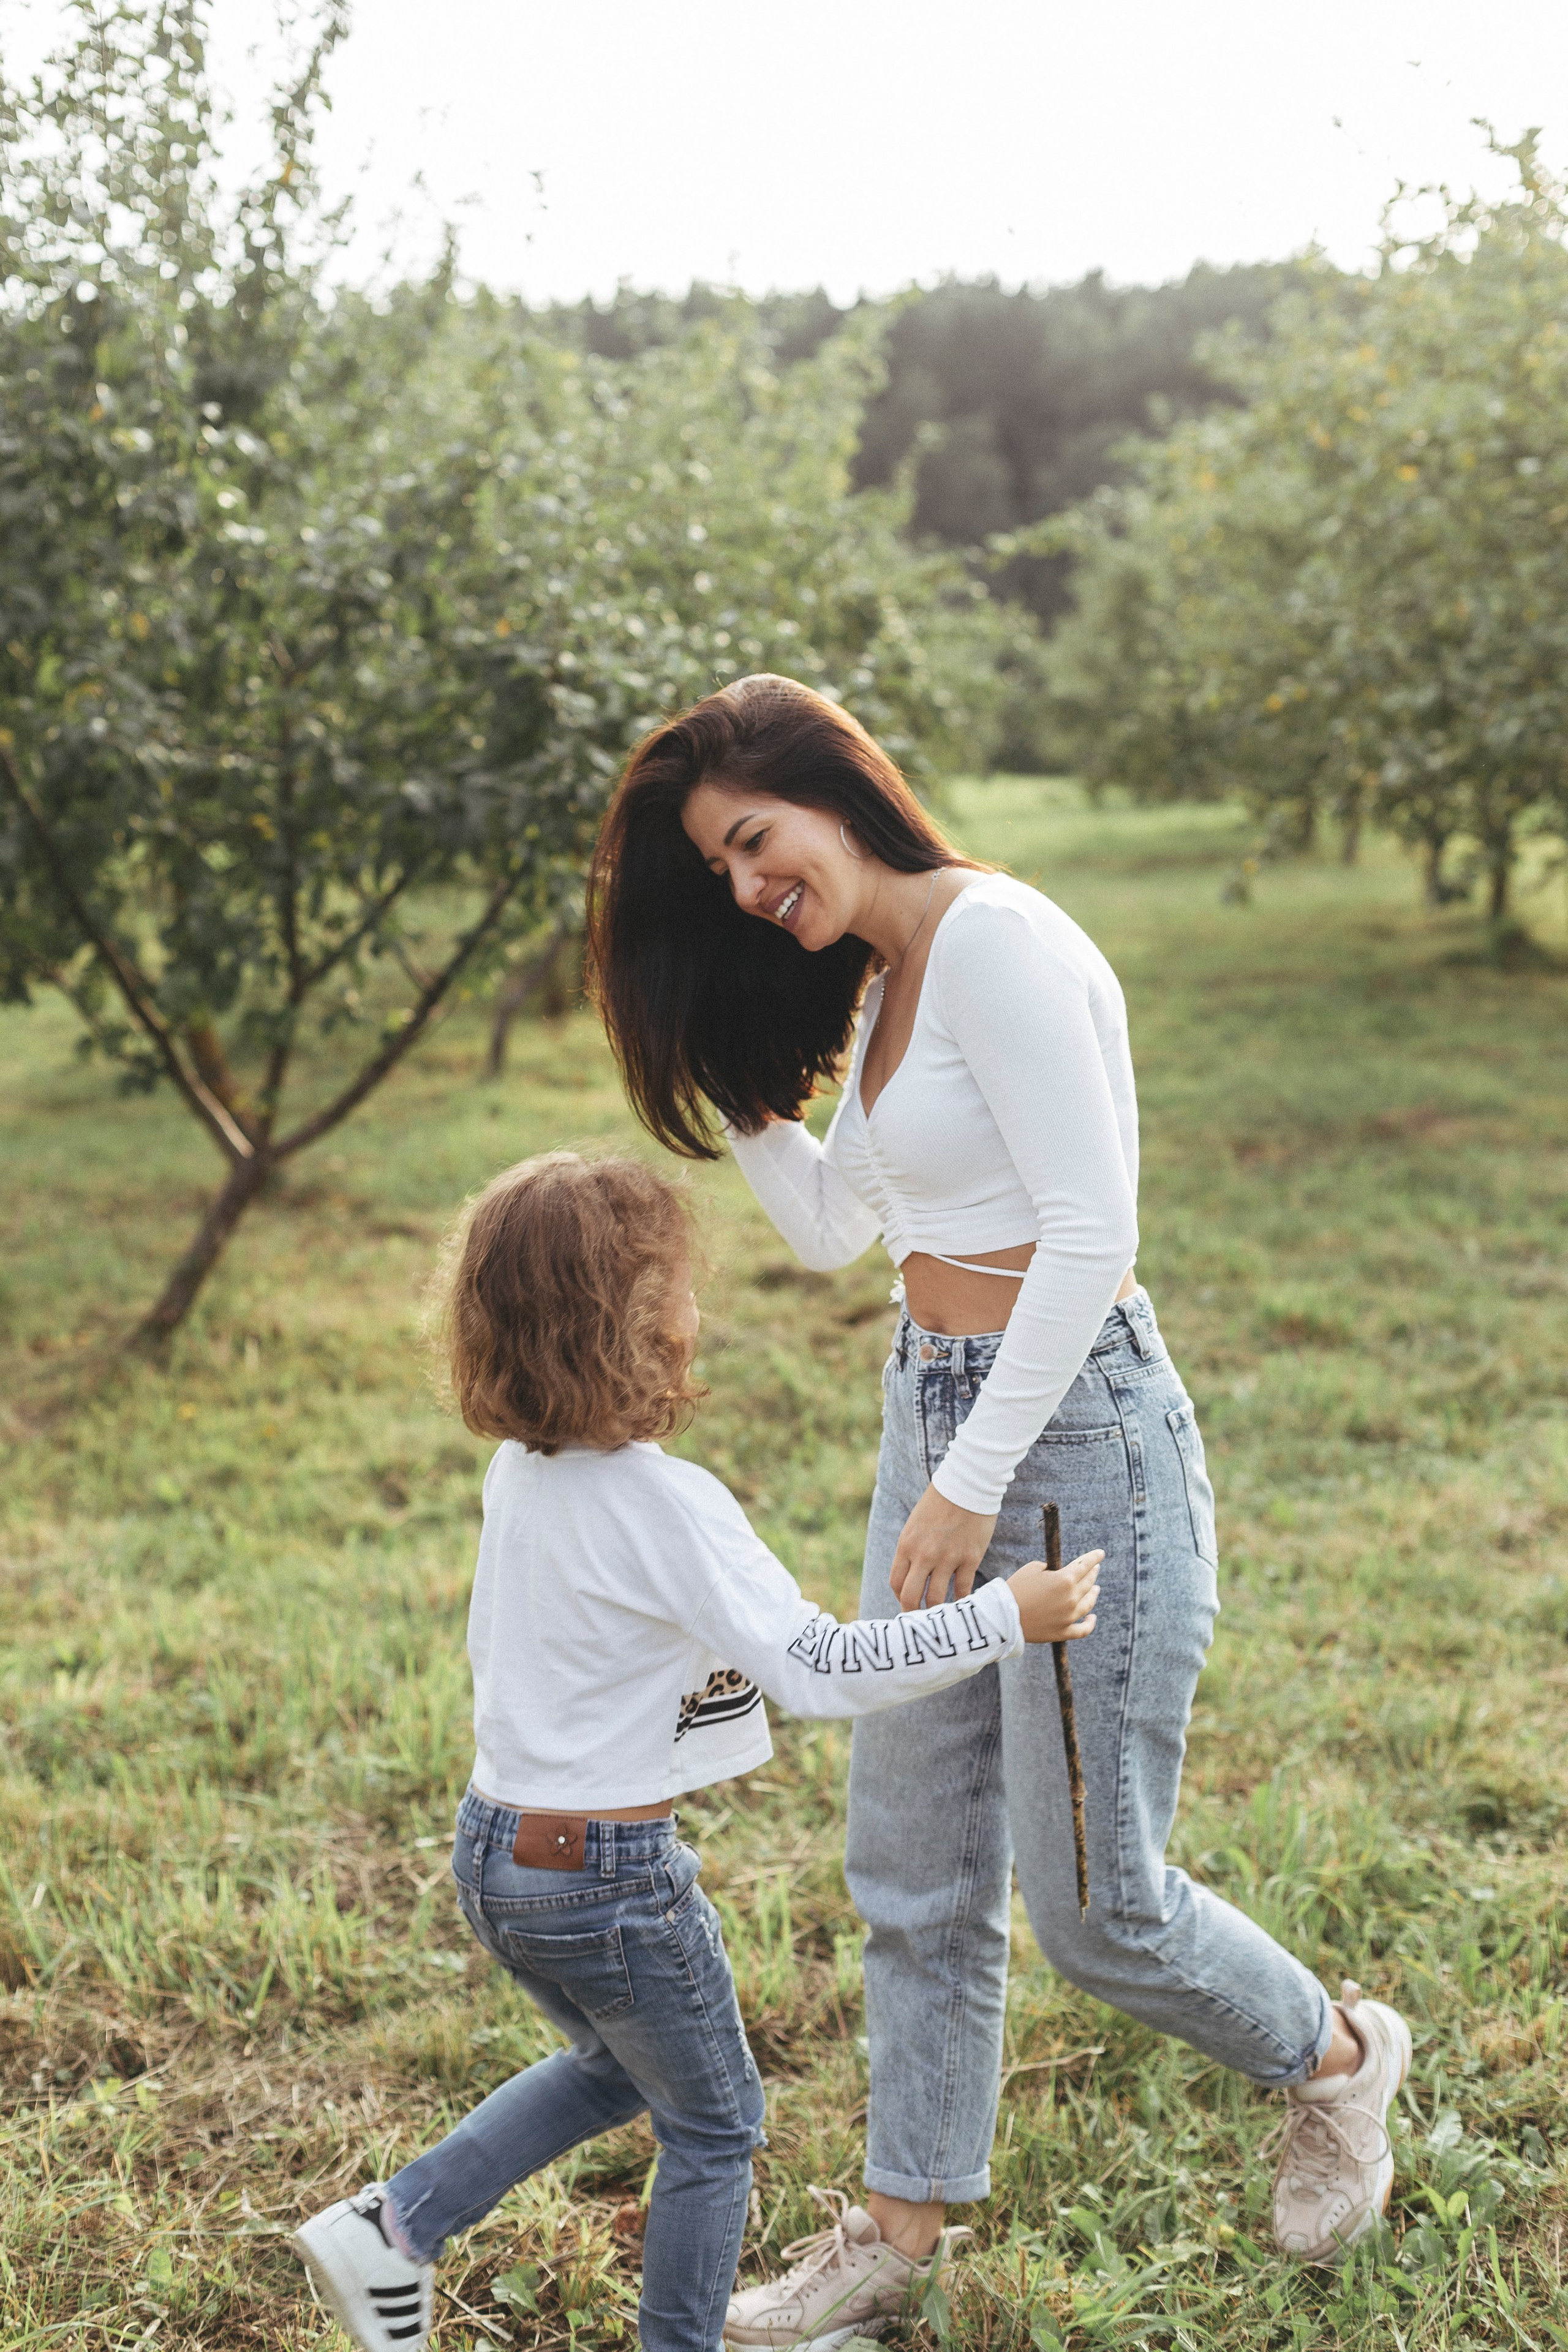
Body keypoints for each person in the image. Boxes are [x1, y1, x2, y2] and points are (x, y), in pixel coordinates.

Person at [586, 675, 1414, 2337]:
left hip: (1069, 1440)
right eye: (720, 872)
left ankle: (1337, 2060)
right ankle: (901, 2228)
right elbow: (841, 1229)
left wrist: (969, 1491)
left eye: (754, 840)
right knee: (910, 1863)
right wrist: (729, 1078)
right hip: (935, 1410)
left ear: (834, 789)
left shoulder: (996, 940)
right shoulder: (892, 978)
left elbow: (1091, 1231)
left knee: (1099, 1911)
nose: (746, 886)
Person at [289, 1150, 1106, 2352]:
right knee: (715, 2128)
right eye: (675, 1287)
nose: (694, 1307)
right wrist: (1002, 1618)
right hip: (607, 1881)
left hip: (496, 1857)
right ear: (629, 1328)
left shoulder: (520, 1473)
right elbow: (819, 1668)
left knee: (622, 2066)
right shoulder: (664, 1506)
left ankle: (396, 2223)